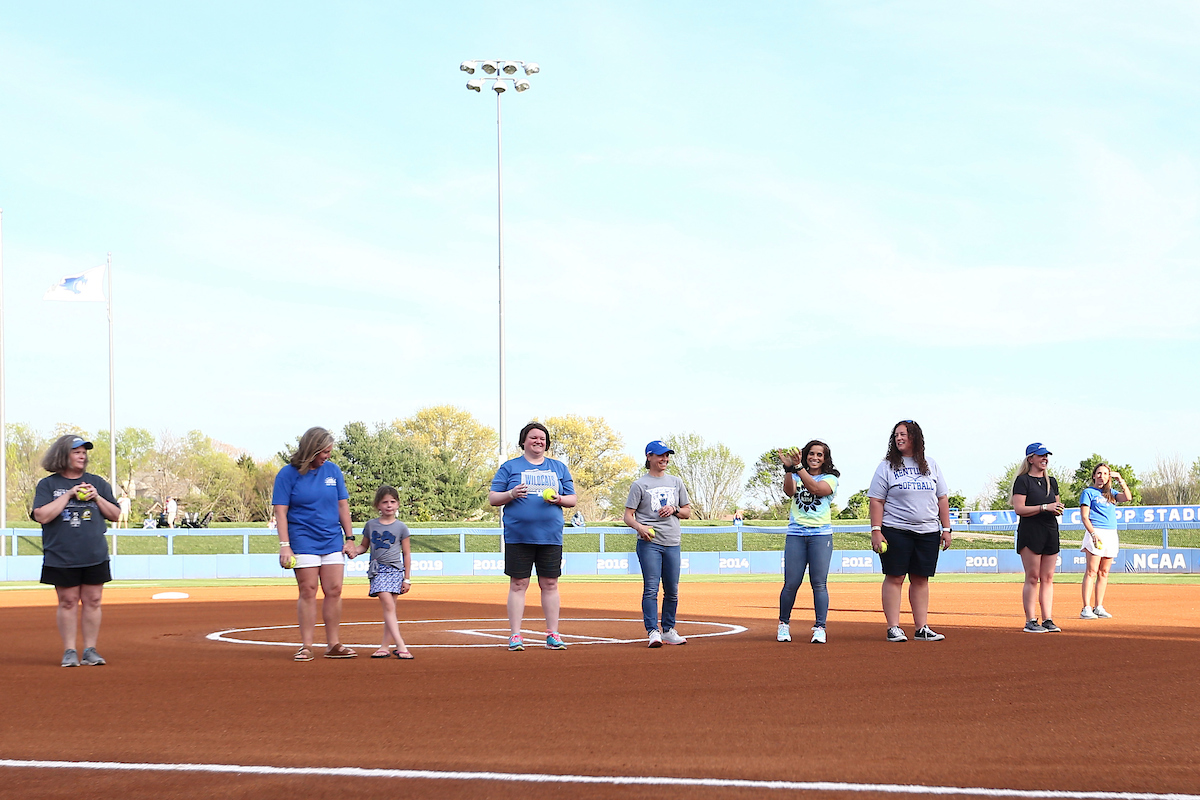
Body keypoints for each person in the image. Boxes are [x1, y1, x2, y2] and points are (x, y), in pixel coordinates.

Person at [32, 435, 121, 667]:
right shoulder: (48, 485)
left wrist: (97, 497)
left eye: (84, 452)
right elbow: (41, 515)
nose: (82, 455)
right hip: (61, 554)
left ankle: (90, 650)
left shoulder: (97, 482)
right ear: (63, 455)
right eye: (76, 451)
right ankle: (69, 651)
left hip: (93, 553)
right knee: (68, 601)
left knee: (93, 600)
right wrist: (69, 494)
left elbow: (115, 514)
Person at [488, 422, 577, 651]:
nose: (539, 441)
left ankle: (553, 633)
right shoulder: (510, 467)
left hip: (550, 535)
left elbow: (572, 500)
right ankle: (516, 635)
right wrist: (511, 493)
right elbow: (493, 498)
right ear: (523, 441)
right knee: (518, 583)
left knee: (550, 583)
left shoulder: (558, 468)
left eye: (543, 438)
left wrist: (558, 499)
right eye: (533, 437)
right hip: (518, 534)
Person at [273, 426, 358, 661]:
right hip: (302, 540)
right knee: (308, 590)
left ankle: (334, 644)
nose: (327, 456)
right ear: (312, 450)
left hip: (331, 539)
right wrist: (284, 545)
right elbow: (281, 512)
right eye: (324, 452)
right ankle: (307, 645)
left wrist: (350, 539)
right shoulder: (287, 474)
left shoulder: (333, 471)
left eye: (329, 452)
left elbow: (343, 506)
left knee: (334, 590)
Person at [868, 419, 952, 643]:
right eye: (896, 435)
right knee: (895, 577)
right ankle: (893, 627)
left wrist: (946, 529)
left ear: (915, 437)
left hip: (928, 531)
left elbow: (942, 498)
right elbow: (876, 500)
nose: (899, 438)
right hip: (896, 530)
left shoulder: (930, 464)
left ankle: (921, 627)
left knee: (921, 579)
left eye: (903, 434)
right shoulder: (887, 466)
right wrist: (876, 530)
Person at [624, 440, 693, 648]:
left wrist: (674, 509)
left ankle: (669, 629)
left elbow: (687, 512)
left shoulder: (676, 482)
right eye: (660, 455)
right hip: (649, 543)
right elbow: (628, 516)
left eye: (667, 455)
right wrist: (640, 528)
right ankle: (653, 631)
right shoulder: (640, 484)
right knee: (651, 589)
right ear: (649, 457)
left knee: (672, 589)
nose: (665, 459)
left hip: (672, 541)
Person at [776, 440, 839, 644]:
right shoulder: (795, 474)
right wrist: (788, 468)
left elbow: (816, 489)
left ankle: (820, 627)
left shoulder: (830, 479)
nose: (815, 457)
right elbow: (789, 492)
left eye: (819, 455)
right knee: (791, 583)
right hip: (796, 534)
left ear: (825, 458)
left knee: (819, 583)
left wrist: (798, 467)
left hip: (820, 535)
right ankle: (783, 624)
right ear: (806, 455)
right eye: (811, 453)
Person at [353, 486, 414, 659]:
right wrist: (352, 551)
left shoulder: (402, 527)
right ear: (377, 505)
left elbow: (407, 554)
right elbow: (364, 546)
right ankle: (401, 646)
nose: (389, 505)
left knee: (391, 610)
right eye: (385, 502)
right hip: (378, 570)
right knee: (388, 606)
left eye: (393, 502)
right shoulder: (371, 525)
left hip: (396, 571)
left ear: (398, 504)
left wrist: (407, 579)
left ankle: (384, 647)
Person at [1011, 443, 1064, 633]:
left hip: (1050, 529)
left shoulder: (1052, 481)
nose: (1045, 459)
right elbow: (1019, 509)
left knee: (1048, 577)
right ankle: (1030, 620)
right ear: (1030, 459)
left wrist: (1056, 508)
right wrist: (1044, 507)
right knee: (1032, 577)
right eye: (1041, 456)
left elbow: (1055, 505)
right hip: (1031, 531)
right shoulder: (1023, 481)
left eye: (1046, 456)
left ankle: (1048, 619)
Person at [1080, 463, 1131, 619]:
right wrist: (1093, 533)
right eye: (1099, 473)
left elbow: (1128, 497)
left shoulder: (1111, 493)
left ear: (1109, 477)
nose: (1102, 476)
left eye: (1105, 473)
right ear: (1094, 475)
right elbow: (1084, 516)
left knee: (1104, 572)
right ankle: (1086, 608)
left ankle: (1099, 606)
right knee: (1091, 571)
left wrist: (1120, 479)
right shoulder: (1088, 492)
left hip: (1111, 533)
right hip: (1096, 532)